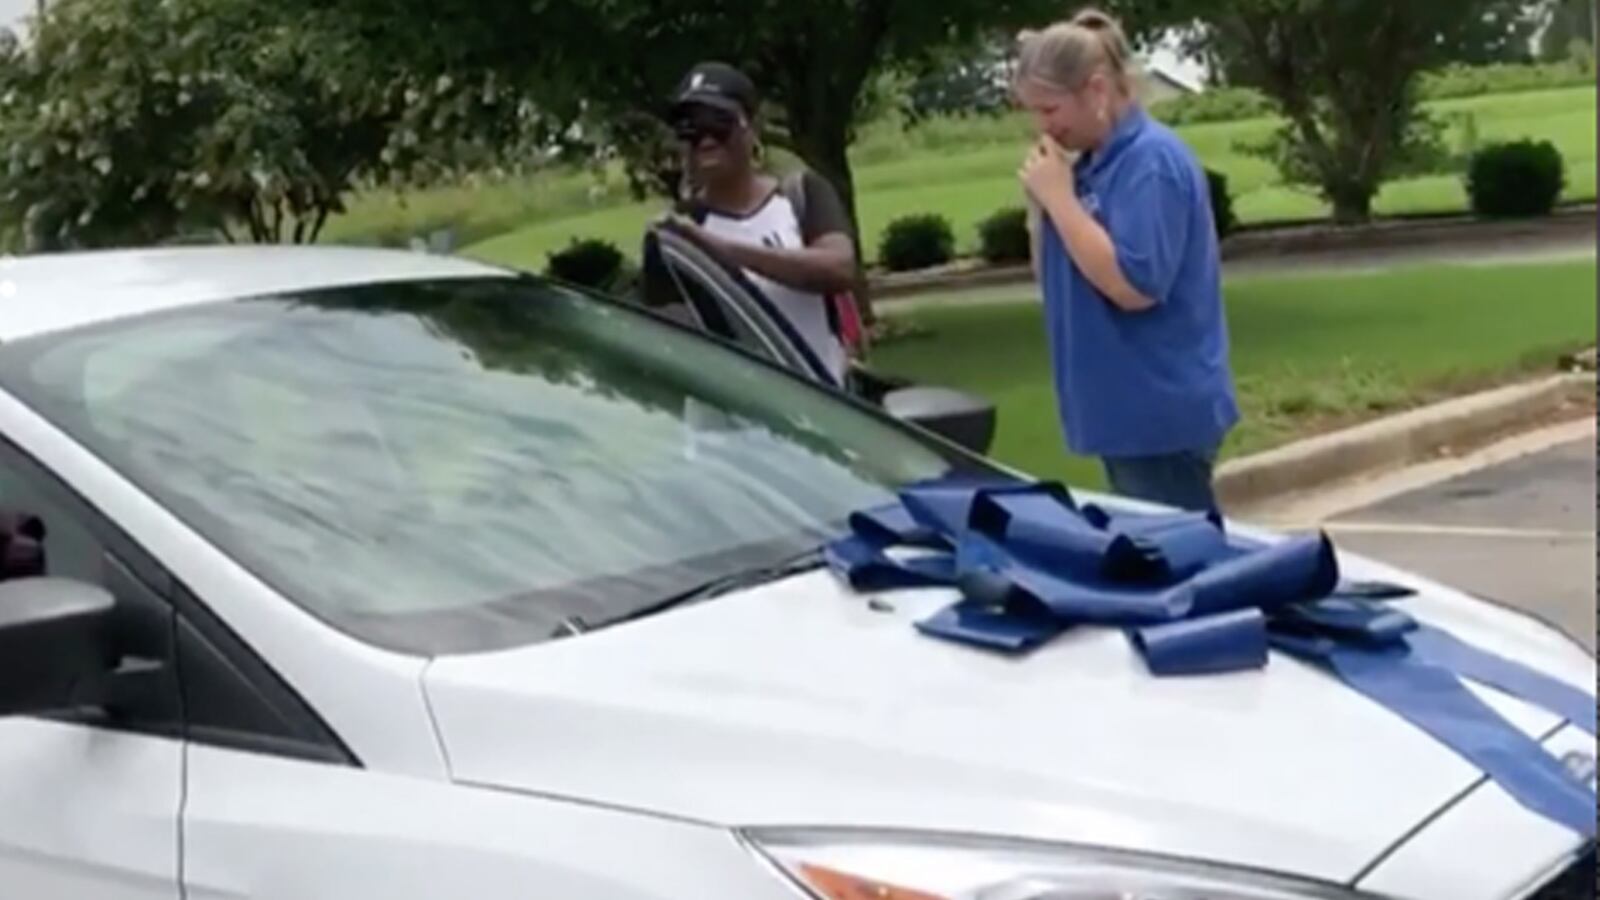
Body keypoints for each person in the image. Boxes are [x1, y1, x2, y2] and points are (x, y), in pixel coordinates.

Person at [1013, 8, 1239, 513]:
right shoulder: (1091, 165)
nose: (1042, 126)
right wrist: (1044, 206)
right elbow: (1054, 277)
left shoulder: (1149, 164)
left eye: (1050, 110)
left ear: (1096, 91)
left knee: (1177, 569)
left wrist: (1062, 202)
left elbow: (1135, 285)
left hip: (1158, 415)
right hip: (1121, 413)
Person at [658, 61, 861, 385]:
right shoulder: (677, 231)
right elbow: (670, 342)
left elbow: (838, 268)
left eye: (719, 122)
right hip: (725, 429)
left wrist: (725, 251)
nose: (706, 140)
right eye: (690, 127)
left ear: (751, 127)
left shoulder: (801, 195)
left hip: (819, 414)